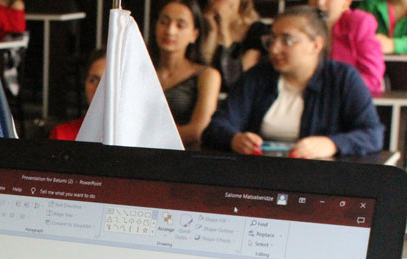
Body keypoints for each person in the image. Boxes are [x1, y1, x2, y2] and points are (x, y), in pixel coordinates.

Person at [202, 6, 383, 158]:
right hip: (260, 172)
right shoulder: (257, 76)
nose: (274, 49)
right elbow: (216, 126)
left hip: (320, 175)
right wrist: (235, 139)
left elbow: (372, 134)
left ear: (316, 45)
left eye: (287, 40)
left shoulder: (343, 78)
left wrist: (332, 144)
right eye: (272, 40)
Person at [153, 0, 221, 146]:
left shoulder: (207, 75)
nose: (170, 31)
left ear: (194, 35)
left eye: (180, 25)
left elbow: (198, 130)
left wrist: (146, 136)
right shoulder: (139, 71)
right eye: (164, 22)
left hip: (184, 155)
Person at [200, 0, 269, 91]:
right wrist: (211, 32)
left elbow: (237, 76)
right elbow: (199, 68)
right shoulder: (198, 26)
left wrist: (224, 29)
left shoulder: (257, 30)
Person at [319, 0, 385, 94]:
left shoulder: (359, 22)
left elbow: (372, 79)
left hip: (346, 96)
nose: (320, 3)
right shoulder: (302, 24)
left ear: (347, 2)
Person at [50, 49, 105, 141]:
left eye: (106, 81)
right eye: (93, 80)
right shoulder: (63, 135)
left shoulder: (131, 138)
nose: (99, 89)